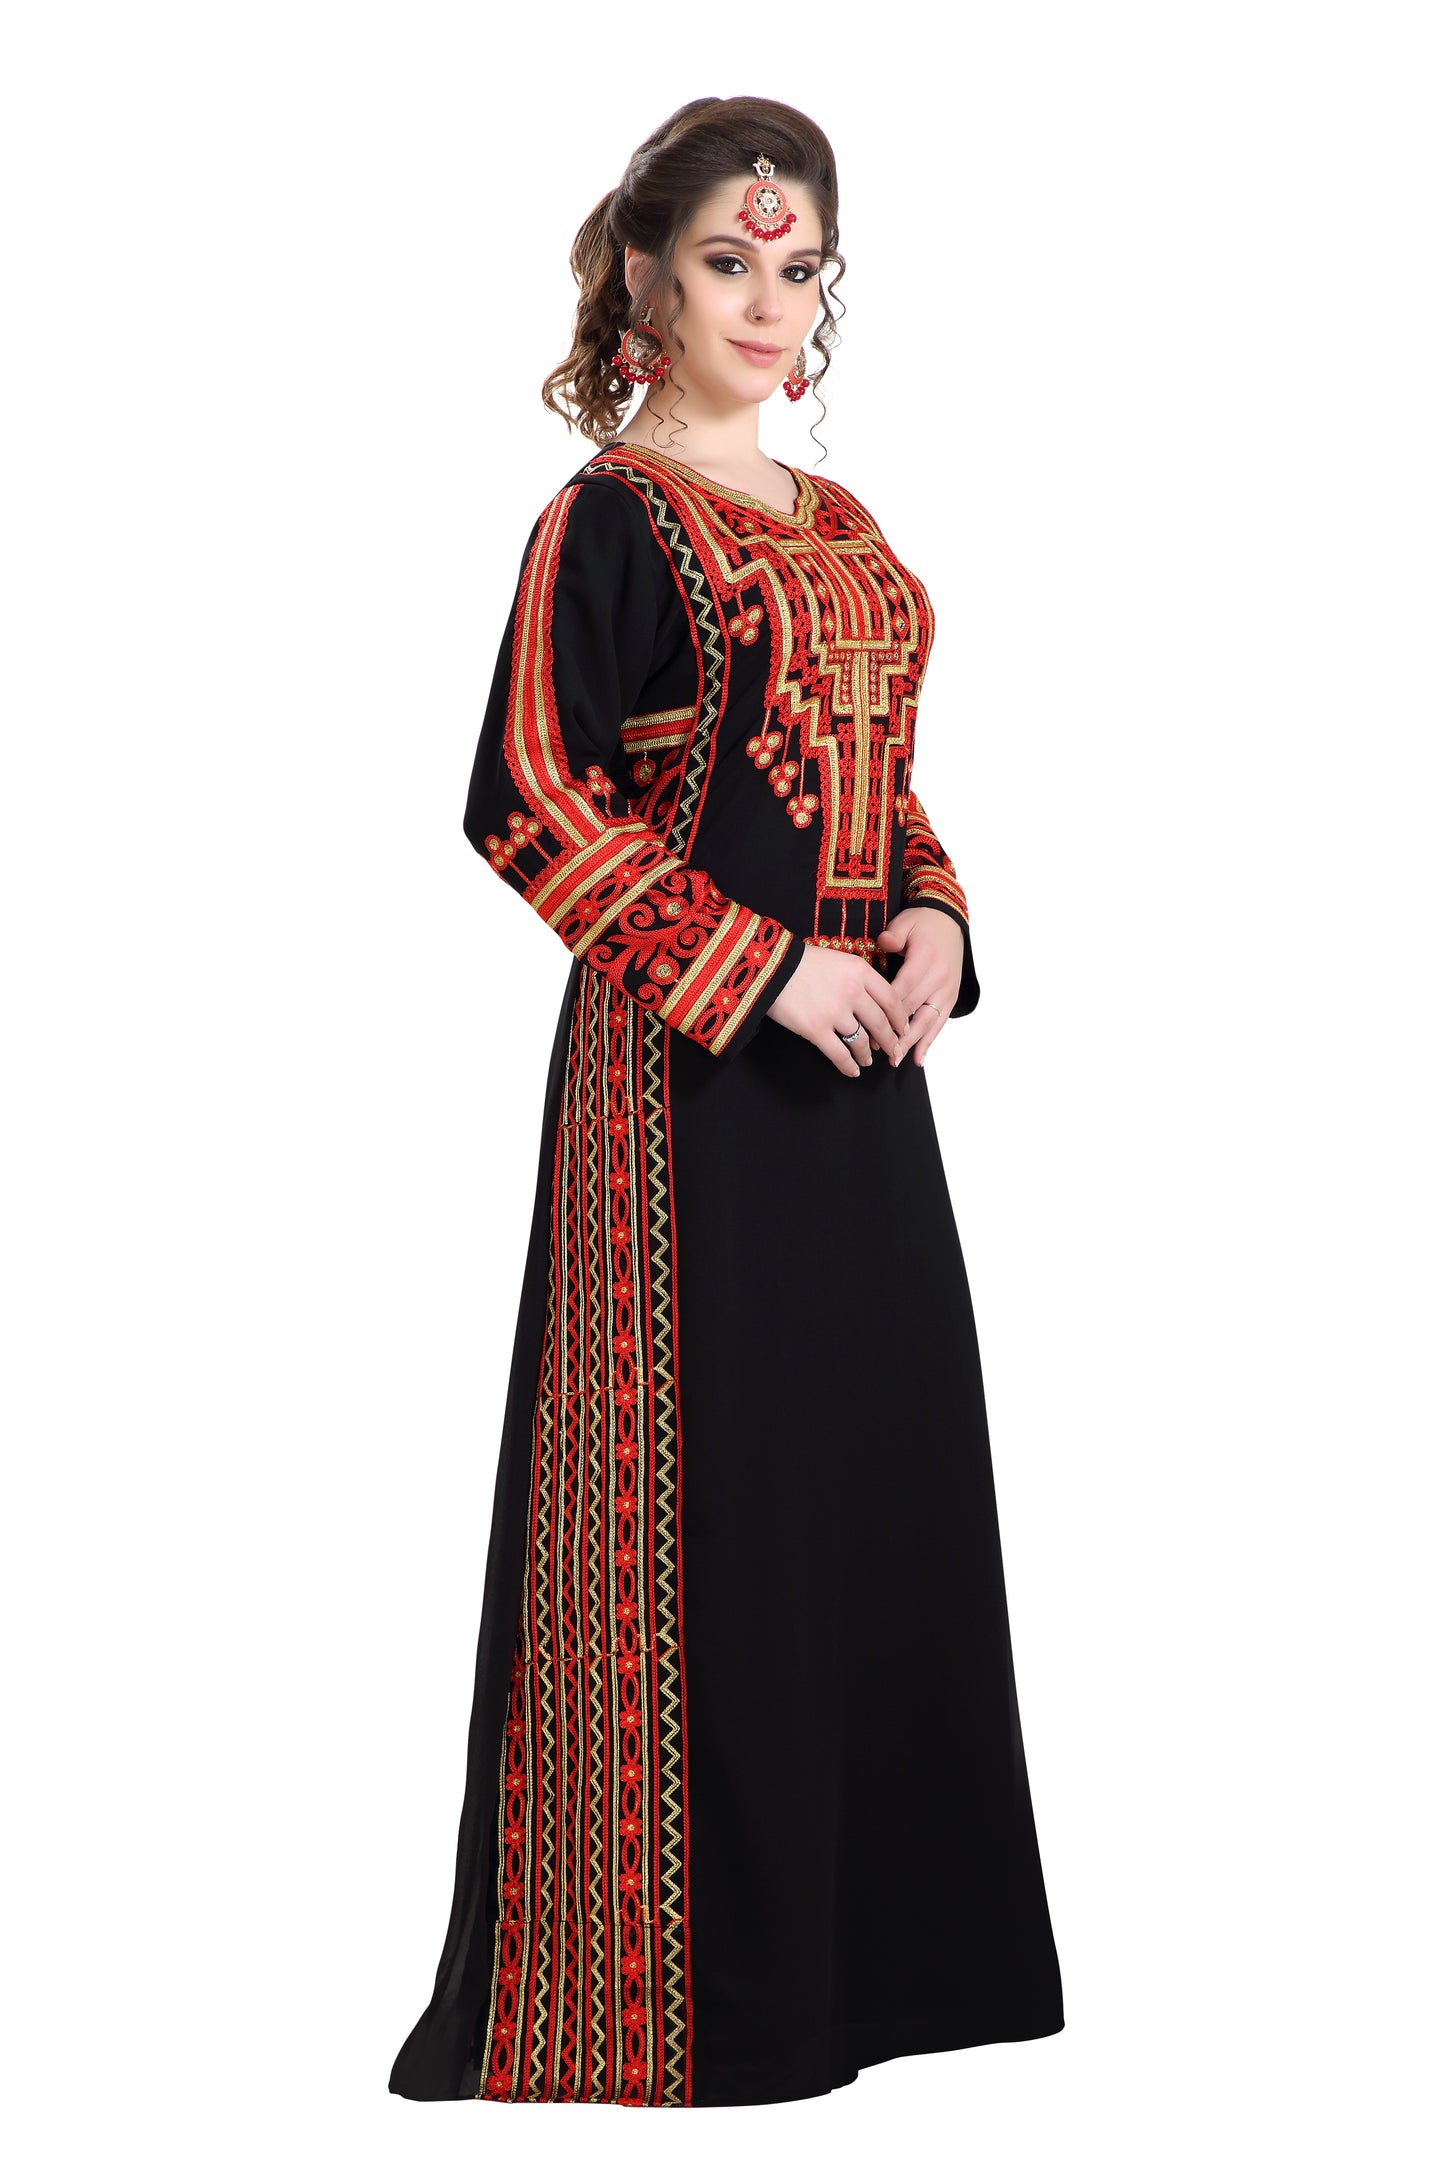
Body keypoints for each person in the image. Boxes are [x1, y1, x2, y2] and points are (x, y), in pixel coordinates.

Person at [388, 92, 1064, 2110]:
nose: (766, 303)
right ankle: (668, 2006)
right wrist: (761, 970)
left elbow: (876, 782)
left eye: (797, 269)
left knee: (871, 1491)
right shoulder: (606, 518)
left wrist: (934, 916)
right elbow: (530, 797)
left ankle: (879, 1976)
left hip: (866, 1094)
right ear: (644, 277)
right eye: (725, 263)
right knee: (713, 1511)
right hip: (682, 1101)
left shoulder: (839, 528)